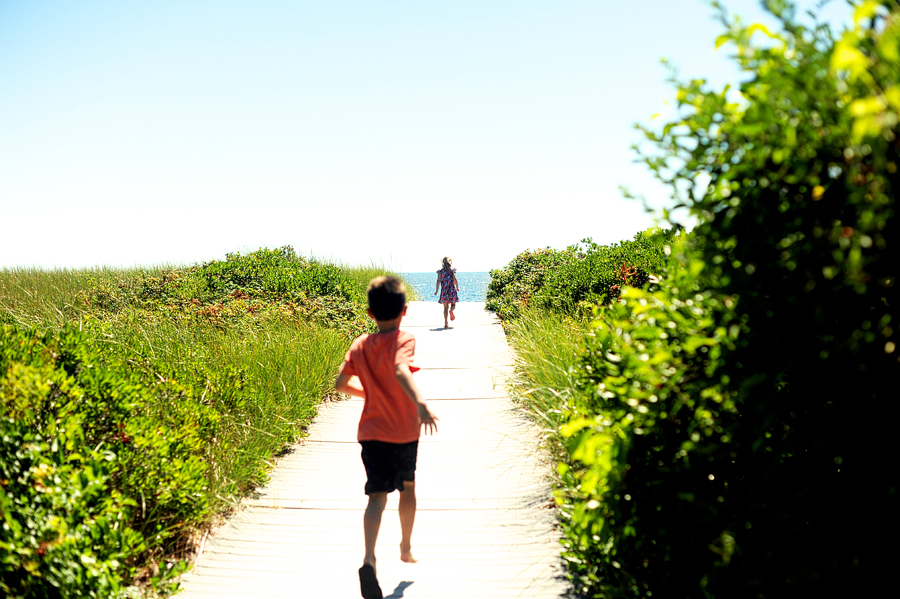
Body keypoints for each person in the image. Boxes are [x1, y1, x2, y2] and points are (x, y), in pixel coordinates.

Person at [334, 275, 439, 599]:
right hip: (404, 432)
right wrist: (420, 403)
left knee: (376, 497)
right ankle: (405, 546)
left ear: (369, 313)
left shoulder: (360, 345)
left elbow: (340, 384)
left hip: (371, 433)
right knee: (407, 487)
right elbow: (399, 369)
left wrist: (369, 396)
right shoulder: (404, 340)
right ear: (405, 311)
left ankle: (369, 558)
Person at [433, 256, 460, 328]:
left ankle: (446, 322)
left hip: (444, 291)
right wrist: (457, 287)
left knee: (445, 308)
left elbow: (438, 281)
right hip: (452, 290)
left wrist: (436, 290)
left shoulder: (440, 272)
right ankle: (451, 310)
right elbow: (455, 279)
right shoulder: (452, 271)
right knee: (453, 304)